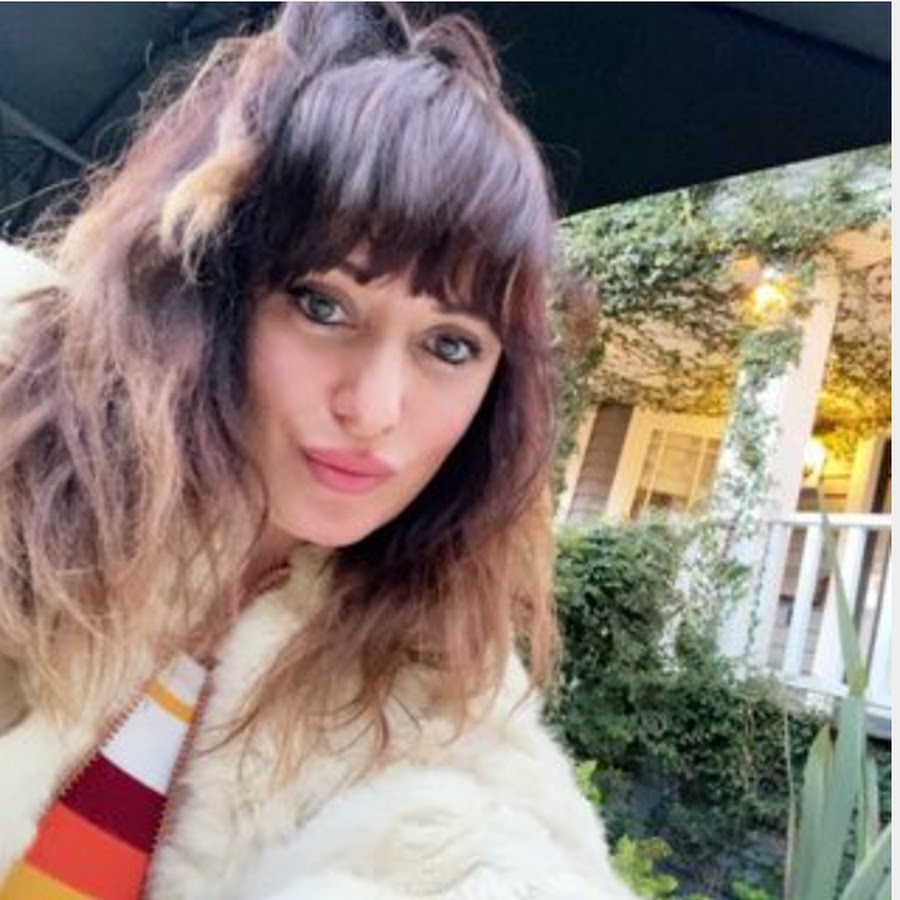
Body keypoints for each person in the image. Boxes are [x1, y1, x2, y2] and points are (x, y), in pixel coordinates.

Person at [0, 4, 637, 898]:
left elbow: (504, 859)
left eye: (450, 345)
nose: (373, 409)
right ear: (213, 290)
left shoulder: (430, 689)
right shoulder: (21, 449)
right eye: (324, 306)